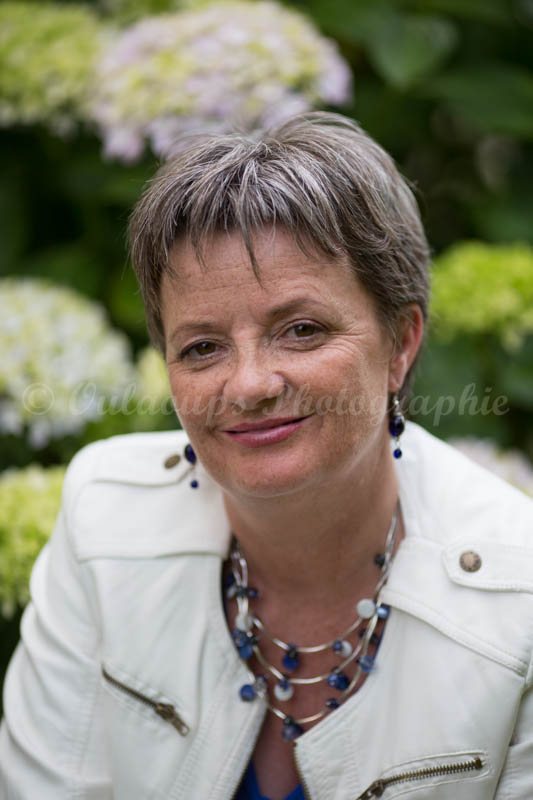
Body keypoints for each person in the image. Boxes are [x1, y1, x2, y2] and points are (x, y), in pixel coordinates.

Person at [1, 112, 533, 800]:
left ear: (400, 343)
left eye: (301, 330)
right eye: (202, 347)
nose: (249, 385)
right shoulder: (102, 519)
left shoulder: (520, 603)